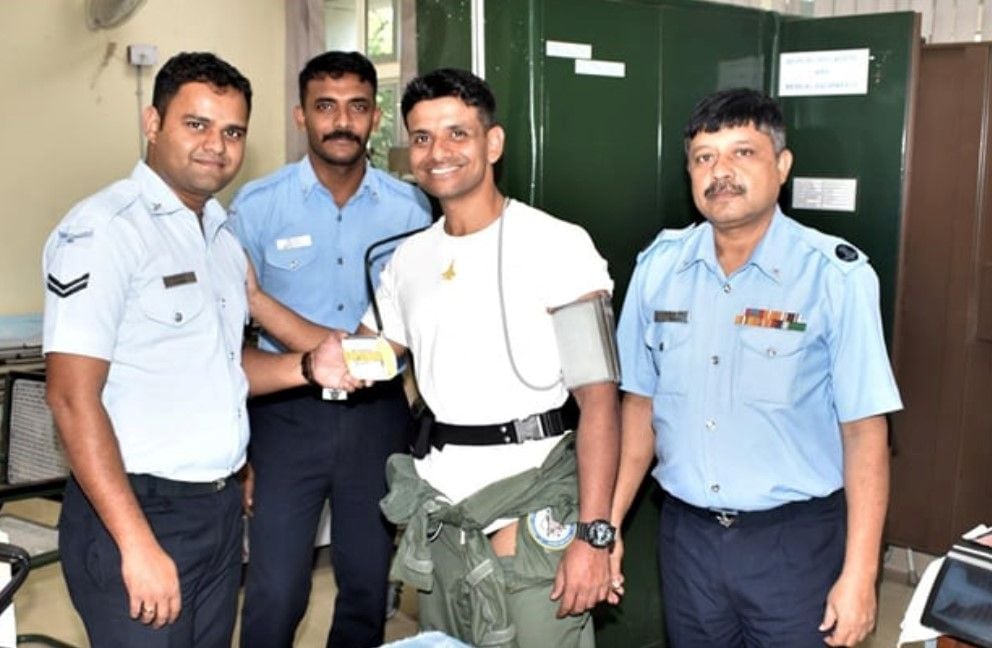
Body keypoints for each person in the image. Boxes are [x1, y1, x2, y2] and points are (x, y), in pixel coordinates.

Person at [42, 52, 355, 647]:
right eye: (197, 124)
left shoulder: (217, 236)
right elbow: (70, 398)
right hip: (136, 511)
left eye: (232, 130)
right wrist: (135, 543)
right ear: (152, 123)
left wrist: (308, 367)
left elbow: (218, 365)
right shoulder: (106, 230)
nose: (217, 145)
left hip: (215, 512)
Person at [611, 88, 903, 648]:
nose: (720, 172)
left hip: (794, 544)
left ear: (782, 166)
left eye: (742, 152)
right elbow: (639, 404)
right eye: (703, 157)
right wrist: (610, 524)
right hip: (687, 540)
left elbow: (866, 431)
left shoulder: (835, 276)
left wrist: (861, 575)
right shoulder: (658, 269)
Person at [363, 68, 620, 647]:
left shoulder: (560, 245)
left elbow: (600, 401)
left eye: (458, 133)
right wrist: (259, 307)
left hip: (529, 510)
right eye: (423, 137)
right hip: (441, 520)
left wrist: (595, 536)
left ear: (493, 142)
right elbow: (366, 357)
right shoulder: (408, 259)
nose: (438, 153)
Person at [228, 50, 431, 648]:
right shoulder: (257, 208)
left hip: (378, 417)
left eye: (357, 107)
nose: (341, 121)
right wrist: (238, 444)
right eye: (326, 106)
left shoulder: (411, 209)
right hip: (285, 414)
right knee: (276, 586)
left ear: (375, 117)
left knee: (369, 581)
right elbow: (228, 333)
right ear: (300, 116)